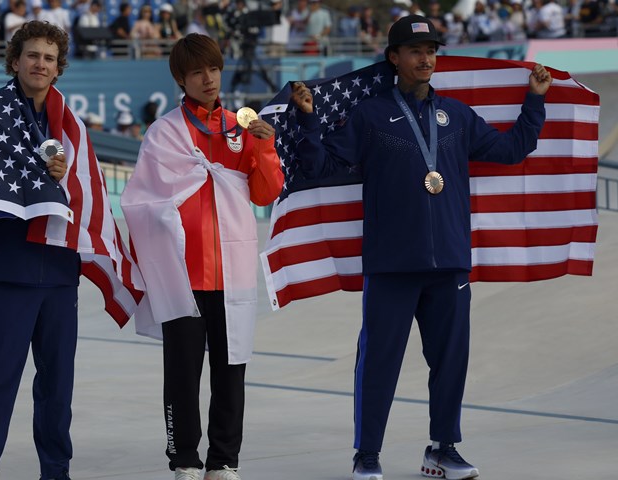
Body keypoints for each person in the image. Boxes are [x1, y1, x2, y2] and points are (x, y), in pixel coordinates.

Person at [289, 14, 552, 480]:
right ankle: (366, 456)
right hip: (391, 263)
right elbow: (320, 166)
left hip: (449, 261)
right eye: (415, 51)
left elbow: (512, 150)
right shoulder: (370, 114)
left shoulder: (458, 115)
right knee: (379, 362)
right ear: (394, 58)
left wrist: (535, 100)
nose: (425, 58)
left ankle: (443, 449)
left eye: (431, 50)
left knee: (450, 361)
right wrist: (308, 120)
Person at [120, 33, 283, 480]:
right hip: (182, 274)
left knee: (231, 371)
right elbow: (140, 200)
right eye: (197, 72)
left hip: (233, 273)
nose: (208, 78)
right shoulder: (165, 133)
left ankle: (224, 459)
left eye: (213, 68)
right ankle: (185, 460)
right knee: (183, 375)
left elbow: (266, 193)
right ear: (181, 79)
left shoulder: (242, 129)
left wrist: (266, 149)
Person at [0, 21, 77, 480]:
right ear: (15, 61)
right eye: (32, 55)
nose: (40, 64)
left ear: (58, 67)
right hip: (9, 270)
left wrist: (63, 180)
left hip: (61, 270)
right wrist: (36, 176)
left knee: (57, 388)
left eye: (49, 58)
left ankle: (56, 473)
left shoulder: (71, 125)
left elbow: (85, 189)